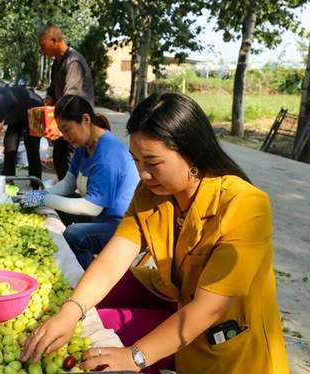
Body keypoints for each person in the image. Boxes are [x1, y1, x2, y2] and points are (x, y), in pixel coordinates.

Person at [21, 92, 288, 373]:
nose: (143, 174)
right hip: (181, 320)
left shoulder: (245, 204)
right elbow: (114, 258)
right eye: (136, 161)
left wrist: (134, 356)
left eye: (152, 162)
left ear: (191, 152)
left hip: (232, 349)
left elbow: (209, 308)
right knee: (97, 332)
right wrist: (71, 310)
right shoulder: (150, 194)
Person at [24, 95, 138, 269]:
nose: (65, 136)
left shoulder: (108, 154)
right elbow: (68, 184)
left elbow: (92, 207)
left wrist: (44, 199)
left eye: (67, 129)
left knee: (74, 235)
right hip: (100, 217)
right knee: (53, 206)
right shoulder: (83, 145)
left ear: (86, 120)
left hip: (122, 224)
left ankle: (94, 282)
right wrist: (40, 195)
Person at [38, 24, 95, 180]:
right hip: (64, 119)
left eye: (43, 46)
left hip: (74, 120)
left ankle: (72, 196)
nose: (42, 51)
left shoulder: (73, 61)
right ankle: (65, 194)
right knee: (60, 159)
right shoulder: (57, 63)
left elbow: (70, 97)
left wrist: (55, 122)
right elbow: (52, 90)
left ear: (55, 41)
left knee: (72, 164)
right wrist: (47, 104)